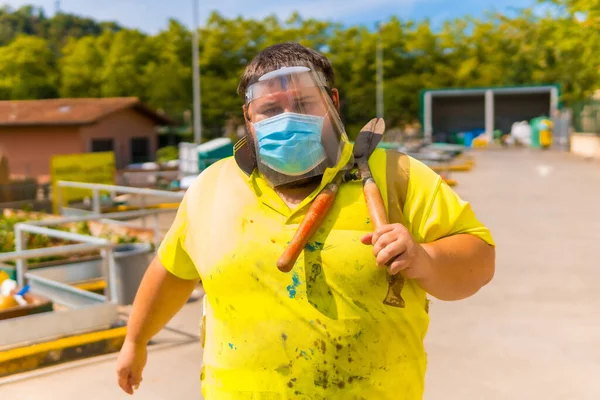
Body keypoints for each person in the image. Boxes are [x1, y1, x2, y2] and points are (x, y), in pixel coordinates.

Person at [116, 42, 496, 399]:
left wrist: (424, 259)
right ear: (248, 118)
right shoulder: (211, 186)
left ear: (332, 102)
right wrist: (135, 341)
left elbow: (479, 261)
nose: (286, 118)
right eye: (269, 110)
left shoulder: (398, 176)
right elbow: (173, 271)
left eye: (302, 103)